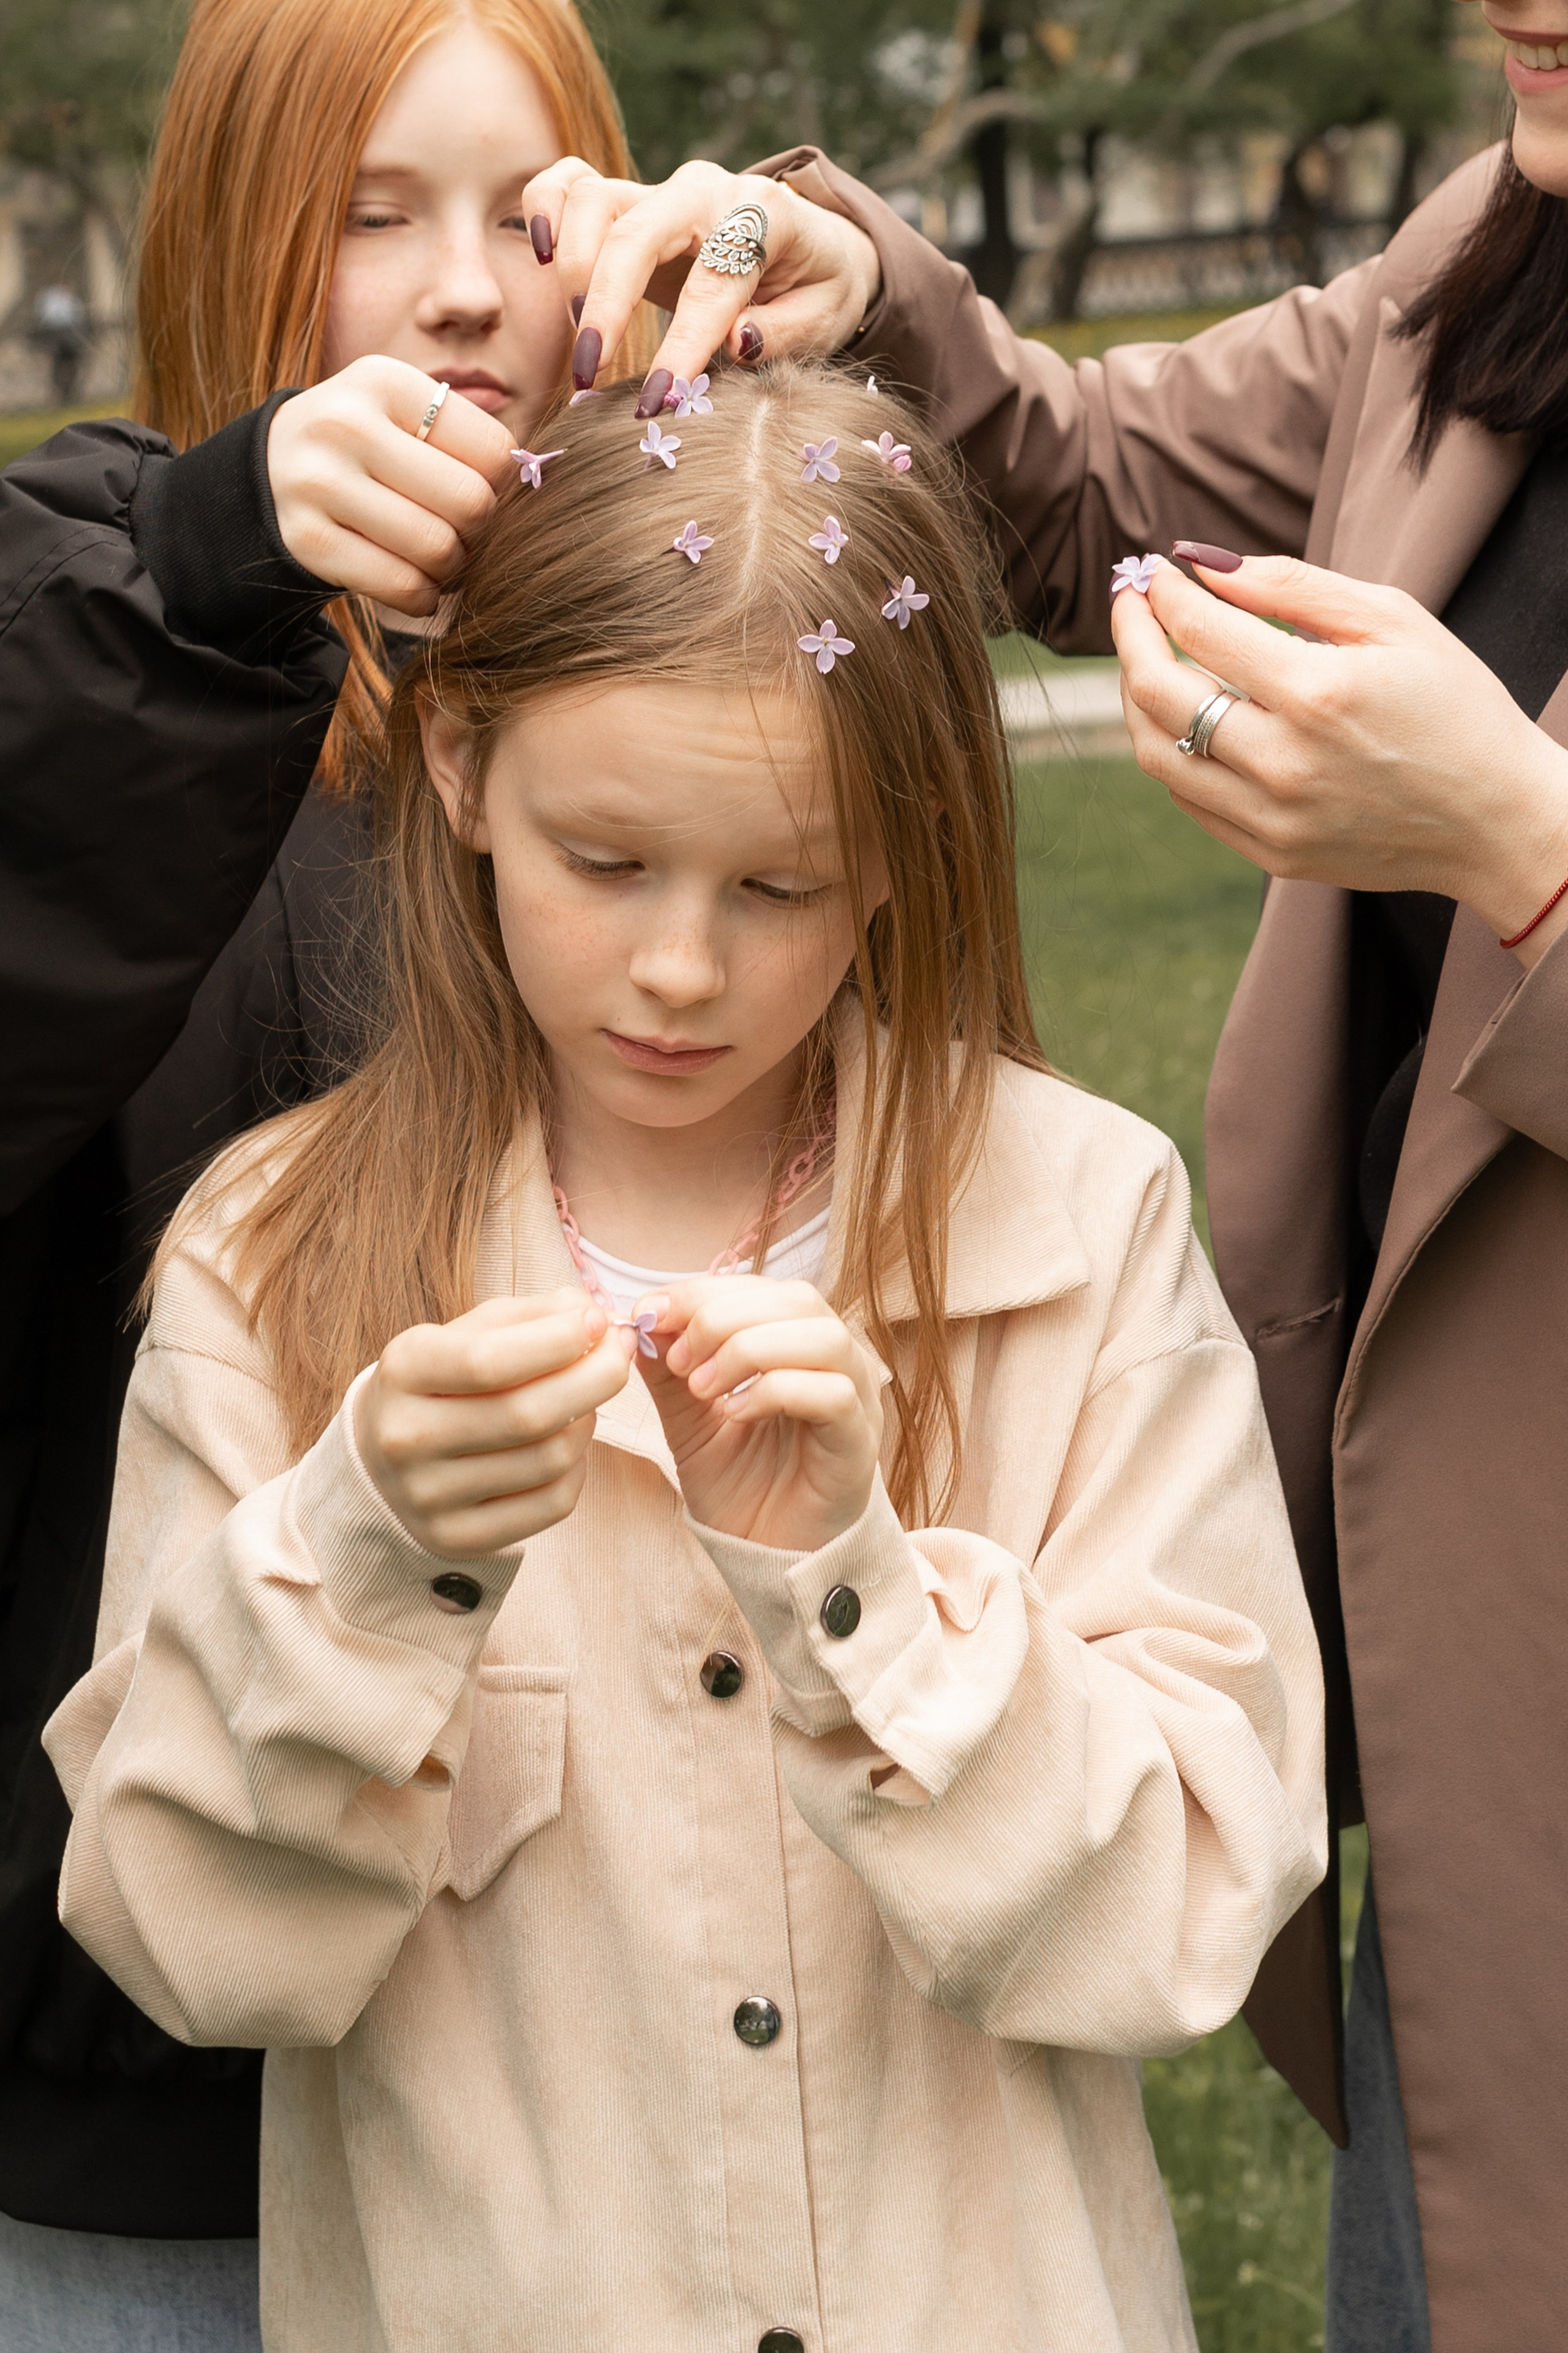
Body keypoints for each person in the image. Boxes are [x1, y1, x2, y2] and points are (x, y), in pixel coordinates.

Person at [45, 362, 1324, 2353]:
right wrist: (363, 1567)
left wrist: (864, 1598)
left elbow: (1195, 1908)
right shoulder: (276, 1261)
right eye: (608, 859)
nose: (675, 966)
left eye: (777, 886)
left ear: (901, 850)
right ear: (459, 765)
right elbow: (194, 1945)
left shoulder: (1082, 1220)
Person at [529, 5, 1568, 2344]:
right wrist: (846, 279)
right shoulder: (1499, 255)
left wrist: (1524, 850)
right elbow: (1097, 474)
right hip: (1496, 1735)